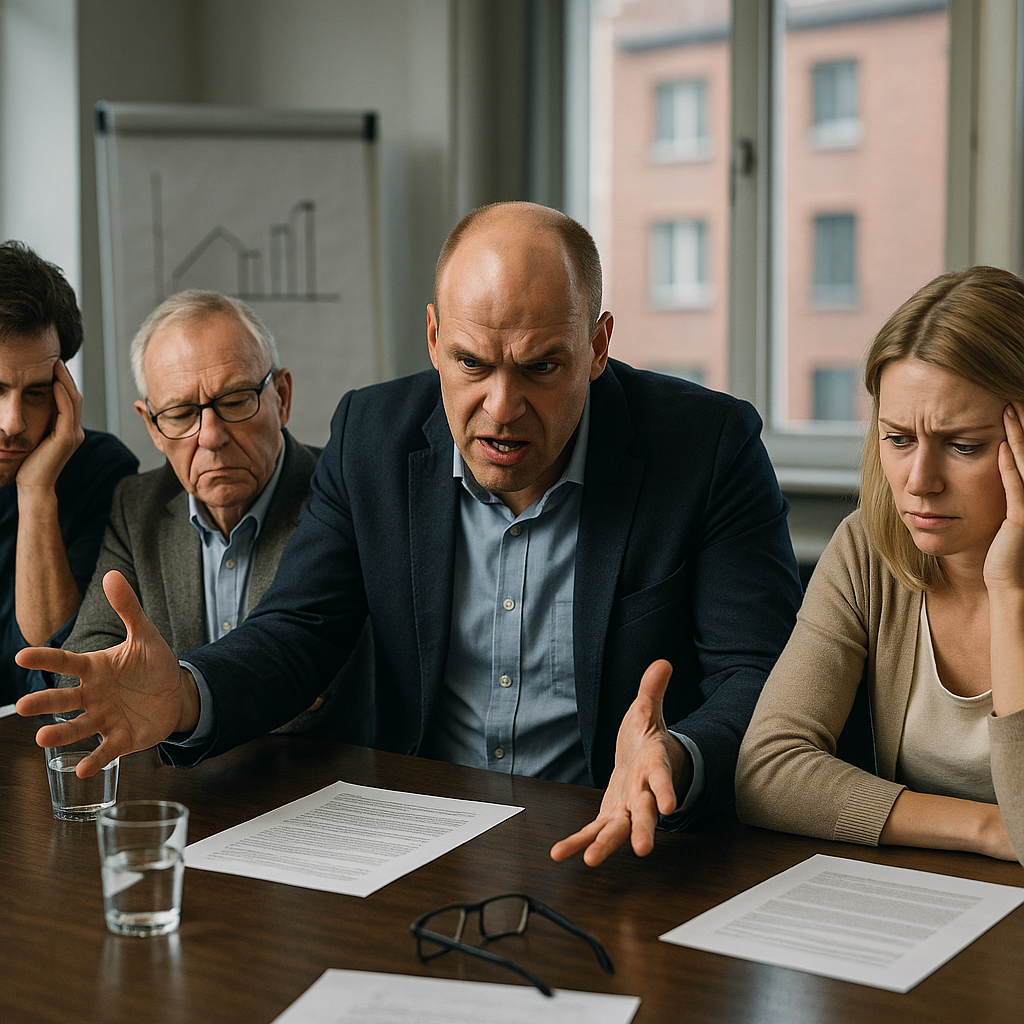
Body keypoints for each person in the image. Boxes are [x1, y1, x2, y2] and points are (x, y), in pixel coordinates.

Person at [17, 202, 801, 864]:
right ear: (433, 339)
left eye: (540, 368)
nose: (500, 407)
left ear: (597, 347)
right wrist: (188, 692)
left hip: (624, 841)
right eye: (471, 363)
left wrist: (677, 755)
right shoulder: (373, 435)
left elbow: (757, 673)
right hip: (419, 844)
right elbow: (299, 631)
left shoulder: (706, 448)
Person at [735, 265, 1024, 867]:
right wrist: (984, 828)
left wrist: (1010, 591)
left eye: (962, 445)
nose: (919, 483)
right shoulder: (869, 550)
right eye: (897, 439)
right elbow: (768, 770)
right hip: (925, 903)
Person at [58, 290, 369, 737]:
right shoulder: (137, 505)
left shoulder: (345, 496)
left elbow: (333, 694)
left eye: (237, 399)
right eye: (182, 413)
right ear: (152, 426)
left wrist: (176, 697)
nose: (212, 436)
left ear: (281, 396)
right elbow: (82, 674)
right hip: (192, 794)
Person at [0, 241, 137, 703]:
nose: (13, 424)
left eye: (37, 393)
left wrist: (37, 491)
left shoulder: (100, 473)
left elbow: (55, 671)